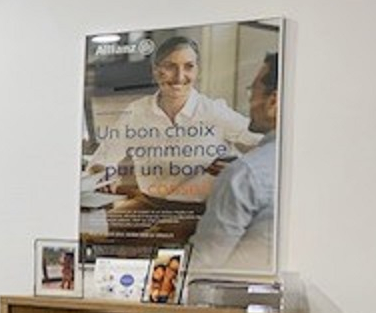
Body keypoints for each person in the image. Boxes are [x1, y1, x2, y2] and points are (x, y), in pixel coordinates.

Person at [87, 37, 264, 240]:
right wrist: (102, 173)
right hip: (148, 204)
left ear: (197, 70)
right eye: (170, 66)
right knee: (93, 233)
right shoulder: (137, 112)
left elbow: (266, 142)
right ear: (156, 71)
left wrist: (239, 168)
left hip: (199, 210)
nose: (180, 76)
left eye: (189, 66)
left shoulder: (213, 111)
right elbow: (102, 158)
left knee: (156, 237)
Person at [189, 53, 280, 272]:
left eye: (253, 91)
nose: (250, 101)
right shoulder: (315, 165)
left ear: (274, 101)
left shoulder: (245, 174)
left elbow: (202, 264)